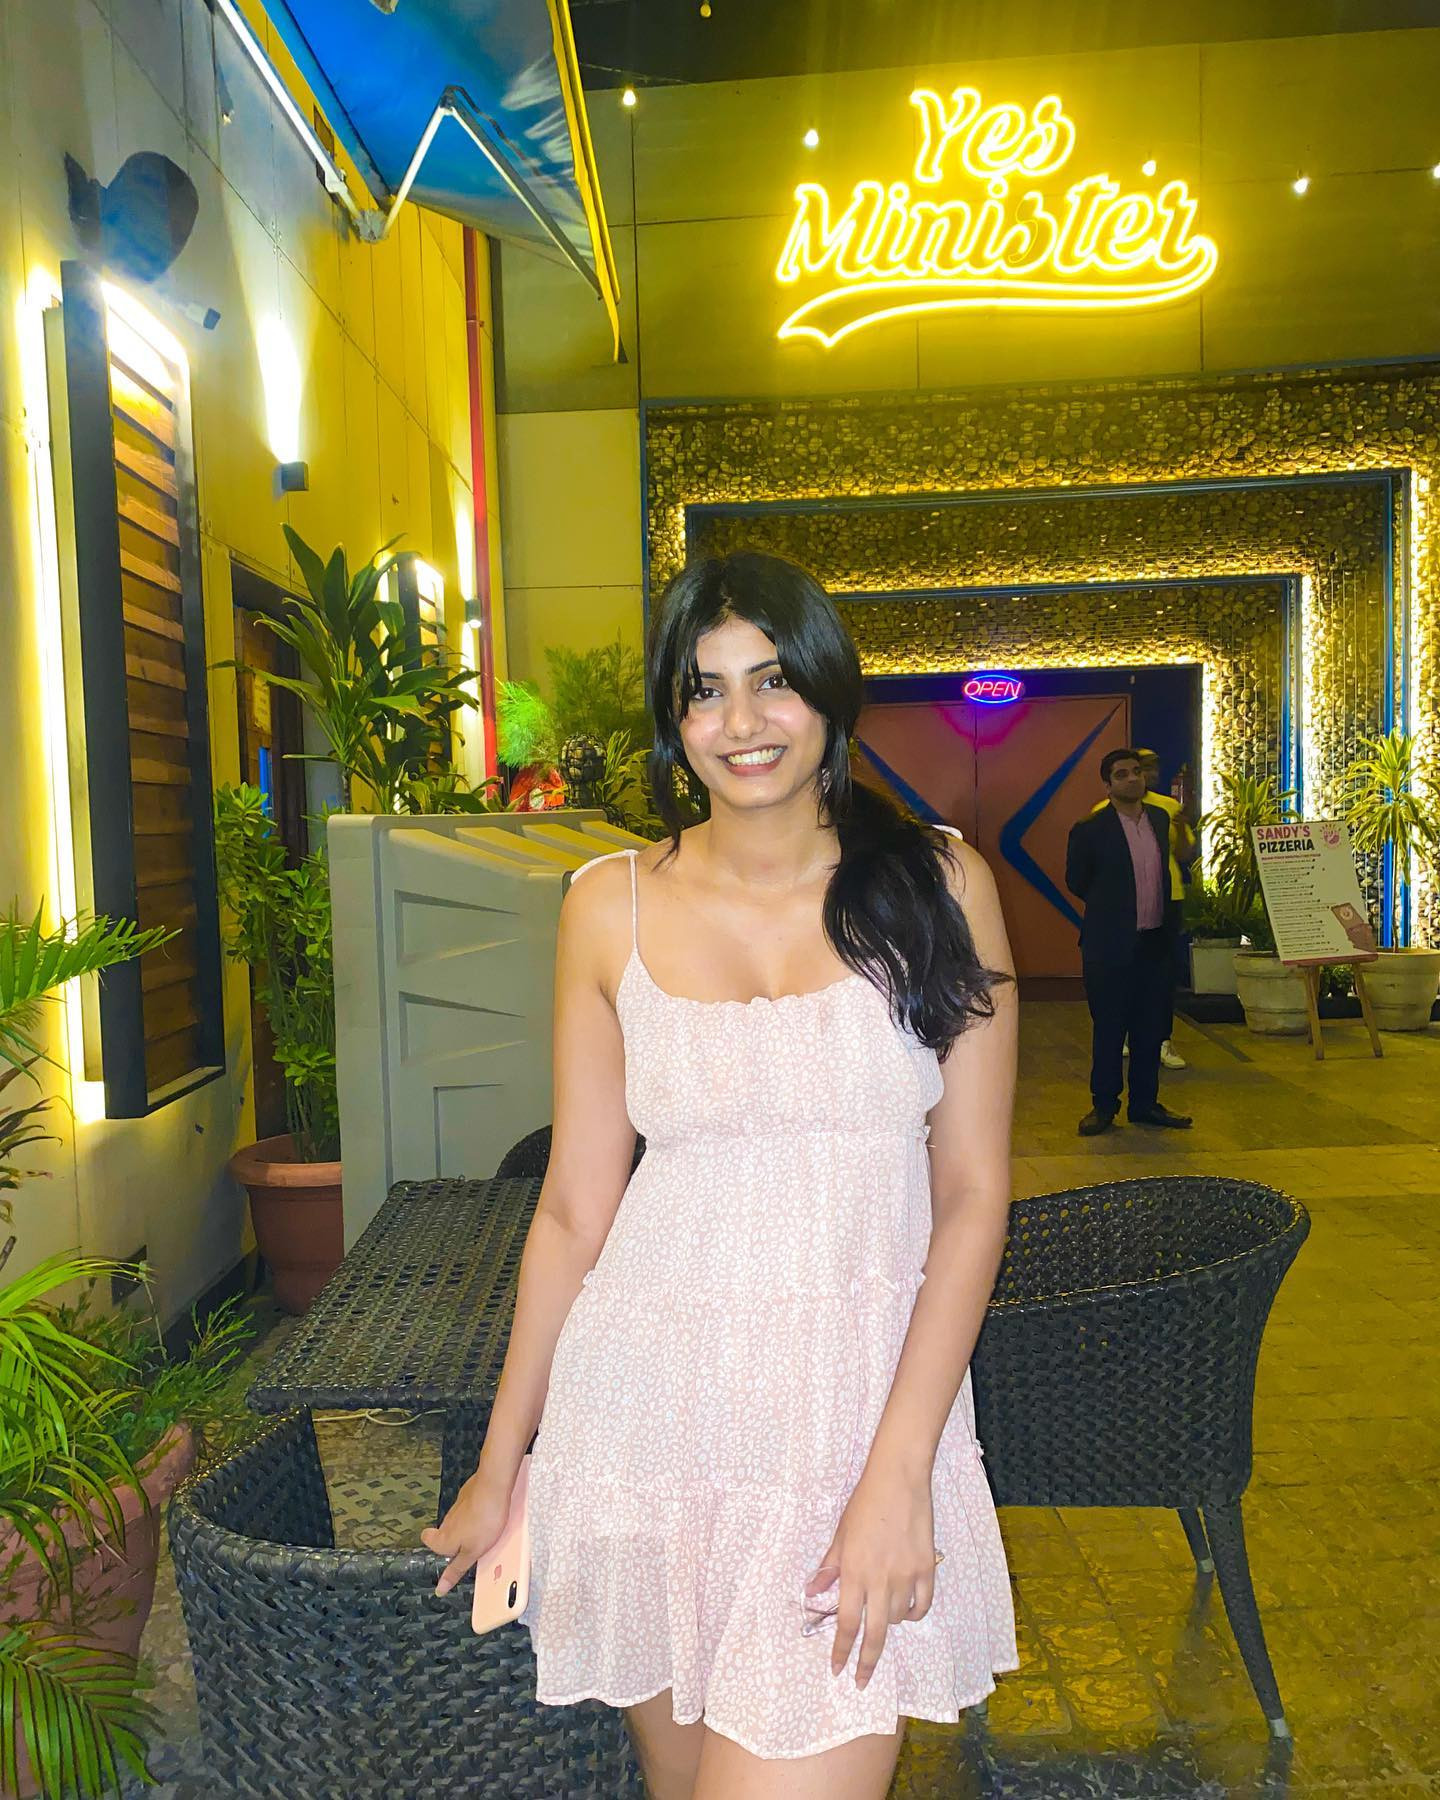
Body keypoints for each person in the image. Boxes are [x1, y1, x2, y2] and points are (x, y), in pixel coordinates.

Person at [422, 551, 1019, 1799]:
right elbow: (574, 1211)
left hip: (851, 1431)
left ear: (829, 693)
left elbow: (972, 1195)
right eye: (705, 690)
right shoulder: (607, 906)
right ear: (673, 720)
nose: (742, 721)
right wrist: (500, 1460)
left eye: (773, 680)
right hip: (642, 1430)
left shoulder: (938, 884)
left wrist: (900, 1469)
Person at [1066, 748, 1193, 1137]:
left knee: (1150, 1029)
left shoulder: (1159, 818)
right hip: (1110, 945)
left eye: (1136, 771)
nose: (1133, 779)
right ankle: (1104, 1105)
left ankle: (1145, 1104)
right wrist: (1114, 908)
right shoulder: (1090, 829)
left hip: (1154, 942)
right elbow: (1077, 881)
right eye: (1121, 774)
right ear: (1107, 785)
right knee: (1109, 1029)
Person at [1090, 747, 1195, 1070]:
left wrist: (1183, 826)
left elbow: (1185, 854)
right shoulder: (1100, 814)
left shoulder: (1167, 809)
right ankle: (1121, 1037)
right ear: (1109, 782)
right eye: (1133, 770)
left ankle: (1162, 1040)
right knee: (1120, 980)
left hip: (1166, 902)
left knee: (1161, 978)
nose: (1142, 775)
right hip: (1122, 914)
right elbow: (1082, 876)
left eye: (1146, 769)